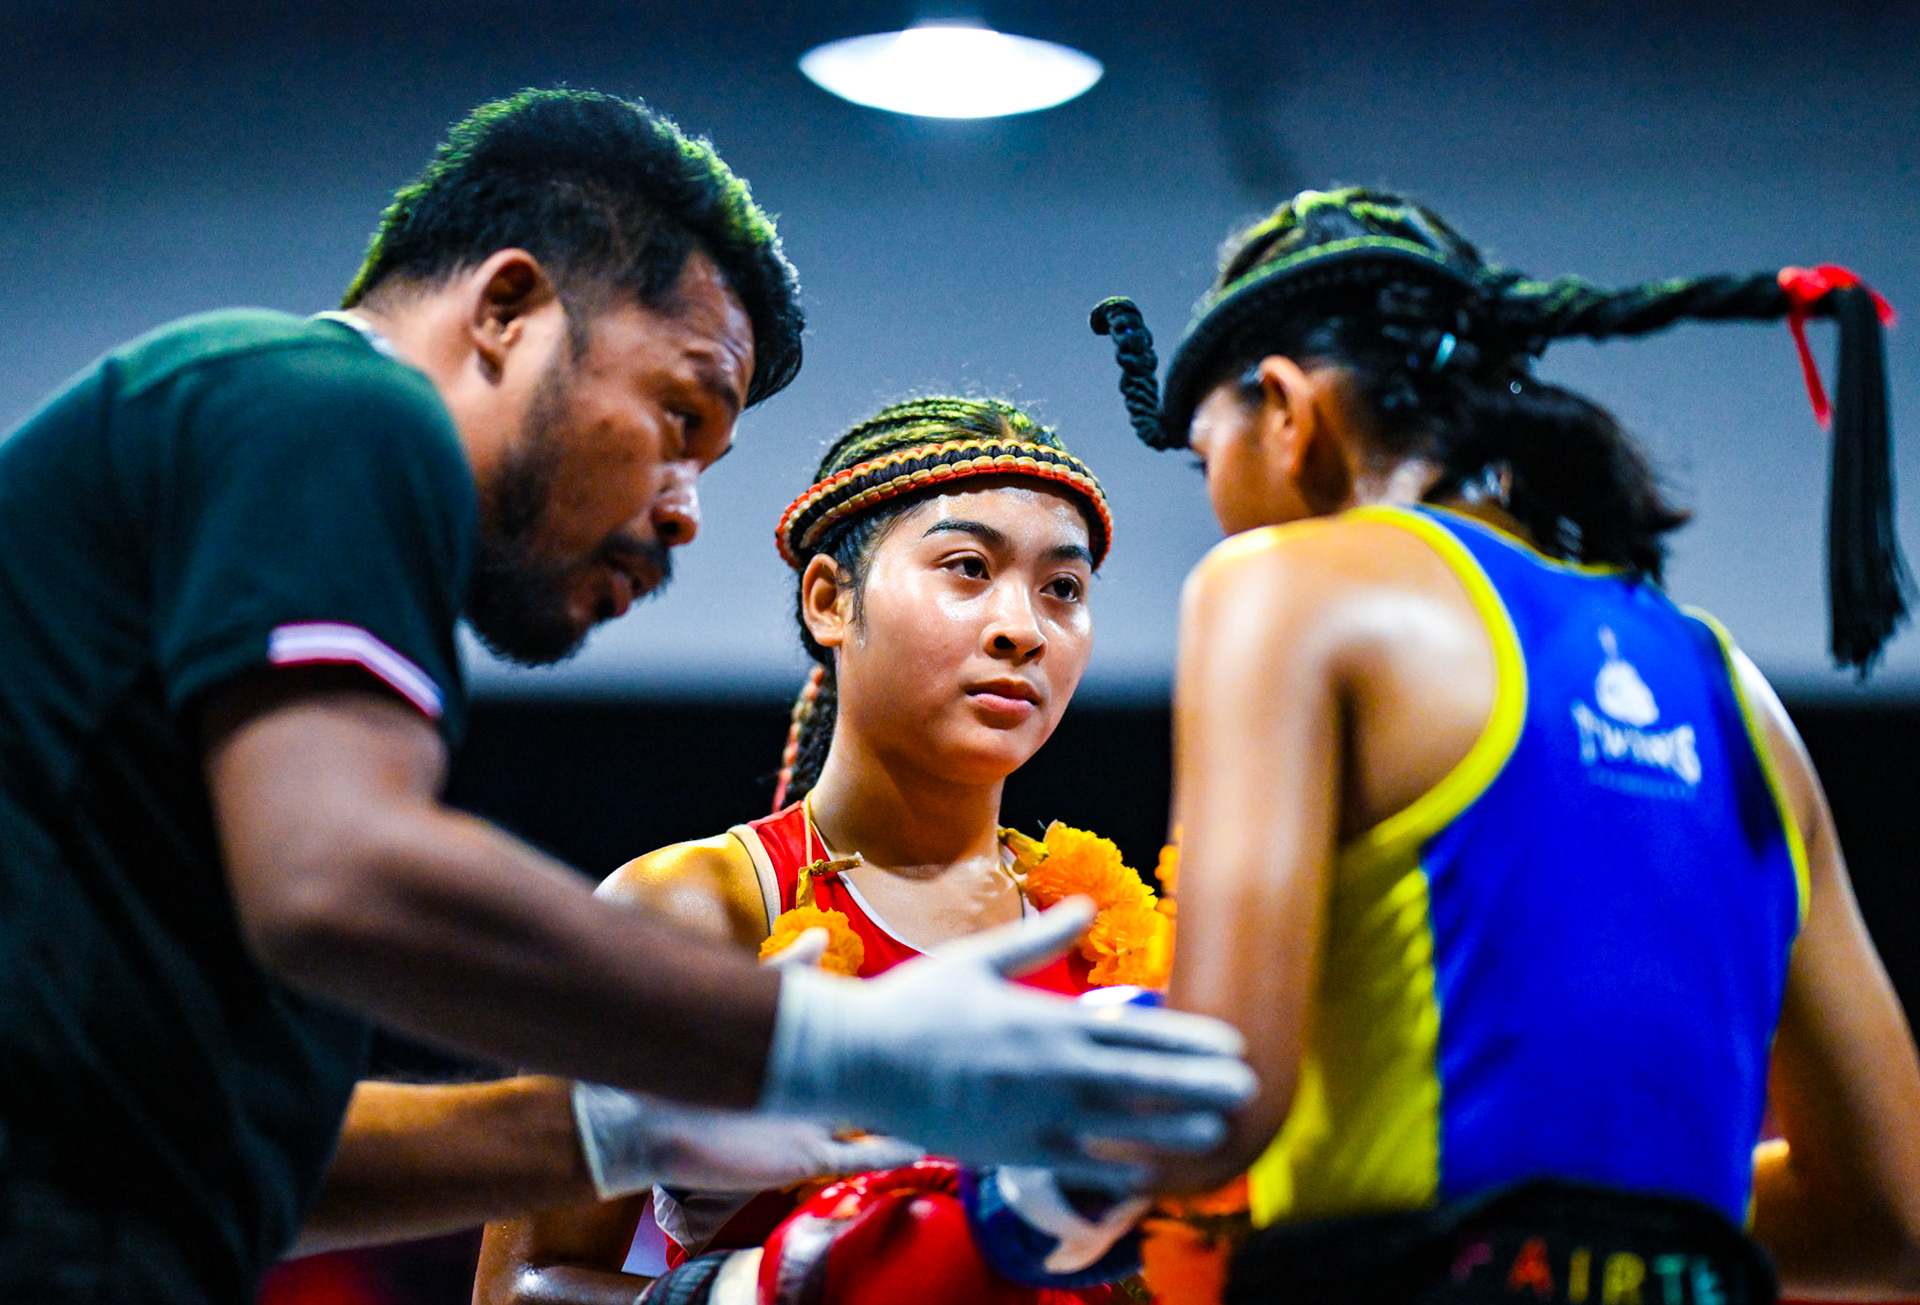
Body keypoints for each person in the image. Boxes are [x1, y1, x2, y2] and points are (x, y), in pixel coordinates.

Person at [0, 87, 1254, 1304]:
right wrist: (819, 1047)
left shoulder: (265, 587)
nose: (682, 510)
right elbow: (341, 879)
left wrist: (626, 1137)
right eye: (677, 411)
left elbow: (230, 1163)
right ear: (508, 310)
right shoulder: (331, 405)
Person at [1087, 189, 1920, 1302]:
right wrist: (1608, 1233)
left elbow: (1217, 1098)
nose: (1221, 509)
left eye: (1208, 461)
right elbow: (1894, 1222)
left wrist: (971, 1119)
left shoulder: (1283, 586)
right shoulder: (1737, 693)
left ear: (1285, 411)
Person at [476, 398, 1159, 1305]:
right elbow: (514, 1290)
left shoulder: (1111, 936)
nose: (1022, 628)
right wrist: (763, 1295)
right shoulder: (691, 908)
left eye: (1061, 589)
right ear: (831, 601)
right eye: (968, 568)